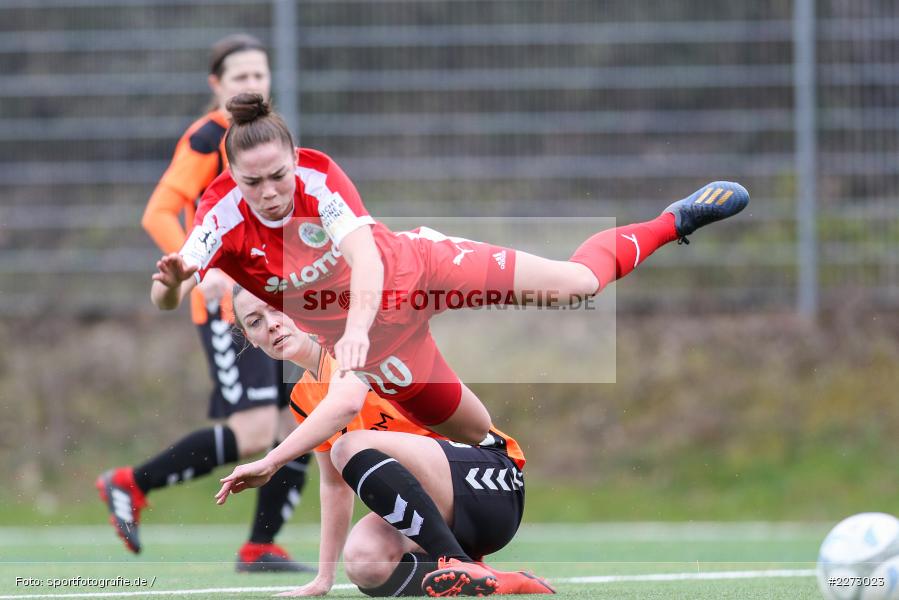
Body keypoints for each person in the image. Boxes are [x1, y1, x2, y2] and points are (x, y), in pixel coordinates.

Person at [150, 93, 749, 446]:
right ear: (231, 176)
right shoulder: (218, 218)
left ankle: (673, 221)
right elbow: (169, 296)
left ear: (293, 159)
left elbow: (363, 255)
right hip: (385, 343)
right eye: (253, 181)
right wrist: (174, 286)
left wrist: (353, 330)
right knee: (474, 433)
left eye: (278, 175)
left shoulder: (318, 176)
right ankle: (467, 532)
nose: (270, 191)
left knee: (577, 286)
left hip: (421, 269)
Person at [97, 36, 311, 572]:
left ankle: (260, 546)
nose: (253, 84)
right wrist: (201, 269)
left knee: (301, 423)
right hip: (228, 309)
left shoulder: (262, 138)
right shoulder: (208, 137)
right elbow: (158, 212)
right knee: (257, 432)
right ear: (217, 85)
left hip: (271, 300)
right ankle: (130, 483)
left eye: (260, 75)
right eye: (241, 77)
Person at [219, 285, 555, 596]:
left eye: (276, 307)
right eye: (255, 321)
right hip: (445, 514)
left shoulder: (351, 342)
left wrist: (271, 461)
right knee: (365, 563)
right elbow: (335, 486)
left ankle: (453, 559)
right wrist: (324, 577)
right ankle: (488, 578)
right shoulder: (303, 396)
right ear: (250, 339)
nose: (272, 325)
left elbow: (346, 405)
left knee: (349, 446)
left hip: (494, 484)